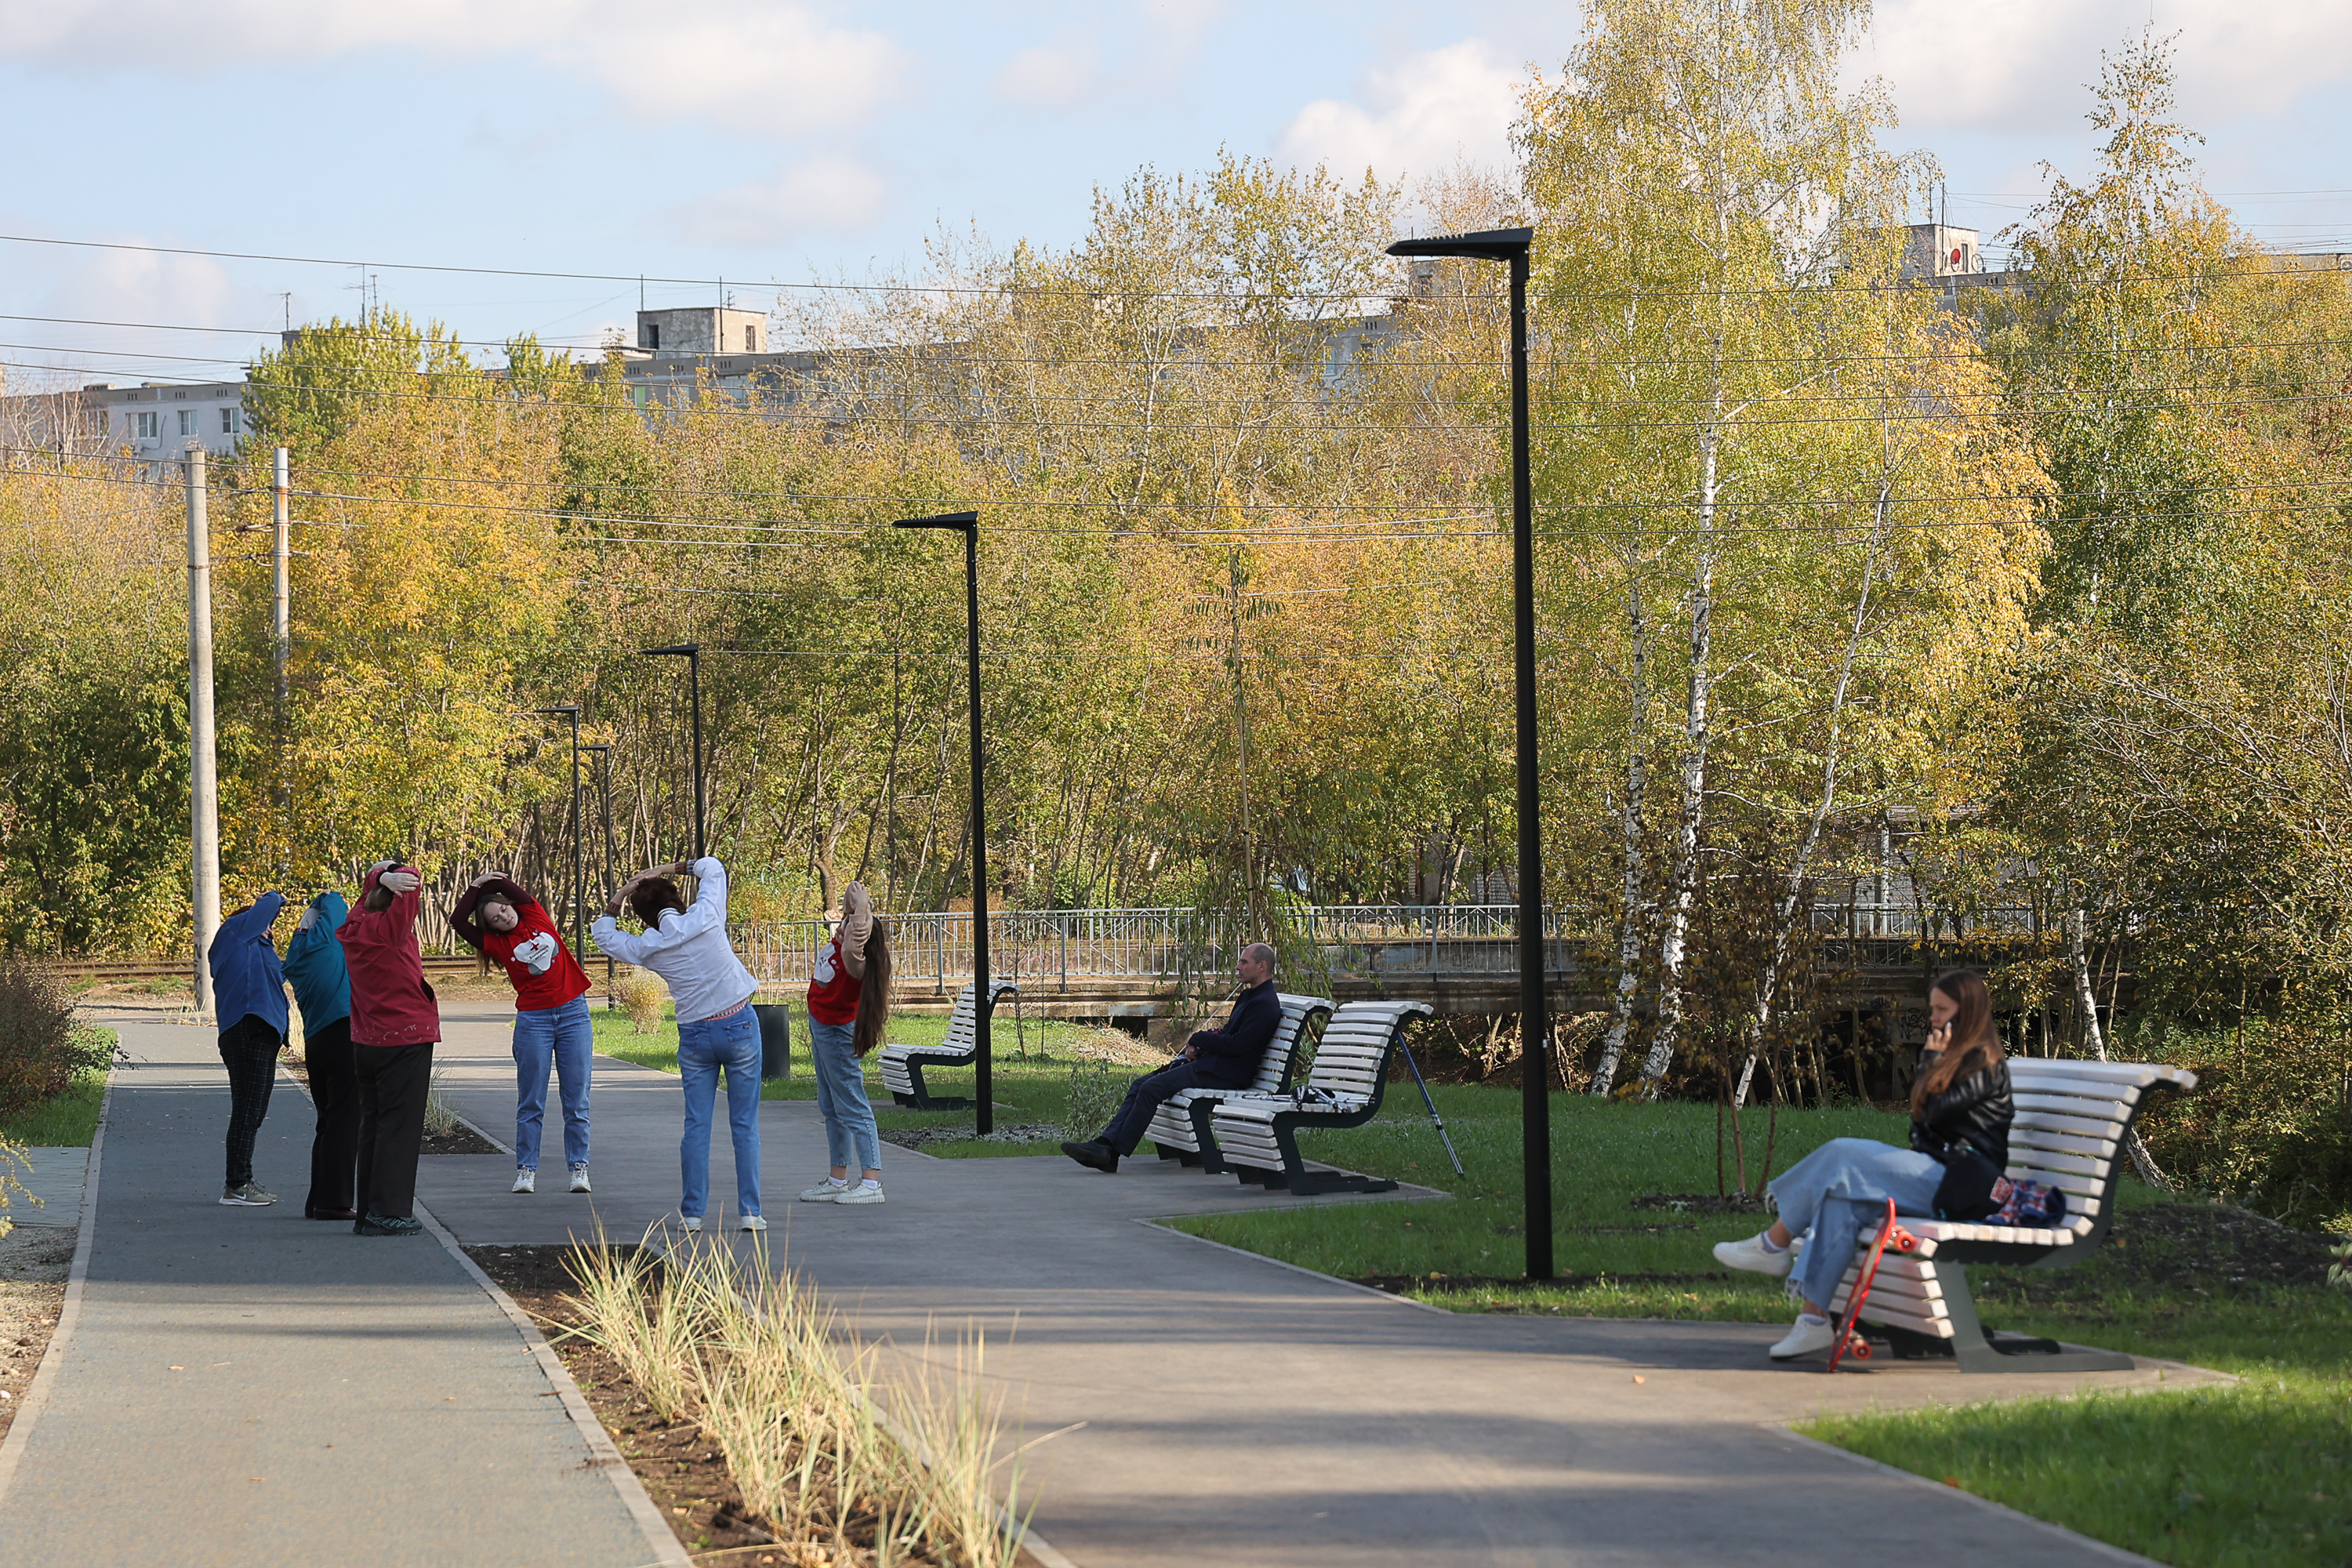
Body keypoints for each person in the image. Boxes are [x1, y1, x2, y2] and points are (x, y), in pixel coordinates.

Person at [1713, 968, 2015, 1359]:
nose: (1934, 1017)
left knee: (1841, 1153)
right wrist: (1932, 1062)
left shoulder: (1984, 1064)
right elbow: (1924, 1126)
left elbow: (1933, 1115)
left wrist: (1930, 1060)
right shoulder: (1954, 1059)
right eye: (1932, 1009)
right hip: (1938, 1173)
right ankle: (1814, 1322)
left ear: (1969, 1010)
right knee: (1841, 1201)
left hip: (1963, 1186)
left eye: (1943, 1009)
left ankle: (1774, 1243)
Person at [591, 856, 766, 1233]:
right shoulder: (706, 916)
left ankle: (692, 1213)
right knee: (744, 1125)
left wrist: (620, 894)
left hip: (696, 1036)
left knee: (697, 1126)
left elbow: (603, 935)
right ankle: (750, 1212)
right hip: (738, 1024)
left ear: (644, 917)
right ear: (677, 897)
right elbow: (714, 867)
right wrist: (666, 869)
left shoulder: (648, 946)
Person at [1062, 941, 1284, 1174]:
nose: (1238, 967)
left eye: (1244, 962)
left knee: (1152, 1088)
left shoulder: (1265, 1004)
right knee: (1141, 1084)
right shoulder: (1251, 996)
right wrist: (1200, 1048)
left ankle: (1111, 1154)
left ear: (1261, 966)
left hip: (1227, 1073)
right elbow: (1229, 1034)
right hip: (1214, 1065)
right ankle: (1105, 1145)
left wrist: (1199, 1038)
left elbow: (1239, 1045)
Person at [452, 874, 594, 1196]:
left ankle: (579, 1170)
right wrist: (475, 890)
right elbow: (458, 921)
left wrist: (491, 882)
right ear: (493, 930)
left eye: (502, 909)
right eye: (495, 920)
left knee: (577, 1101)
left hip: (574, 1014)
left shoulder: (535, 916)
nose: (503, 917)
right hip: (534, 1021)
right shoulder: (499, 944)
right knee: (531, 1101)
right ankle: (526, 1172)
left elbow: (512, 887)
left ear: (509, 905)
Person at [336, 861, 441, 1237]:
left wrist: (380, 878)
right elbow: (412, 881)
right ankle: (389, 1212)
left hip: (367, 1040)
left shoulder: (355, 926)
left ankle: (369, 1210)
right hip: (405, 1037)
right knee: (400, 1128)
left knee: (375, 1127)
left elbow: (369, 897)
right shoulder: (390, 932)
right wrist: (396, 872)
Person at [797, 881, 890, 1207]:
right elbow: (852, 922)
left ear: (861, 937)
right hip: (821, 1027)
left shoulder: (856, 962)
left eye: (851, 924)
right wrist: (853, 904)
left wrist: (862, 908)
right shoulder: (841, 944)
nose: (844, 925)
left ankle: (871, 1181)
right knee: (831, 1106)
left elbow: (857, 936)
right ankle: (838, 1179)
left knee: (852, 1104)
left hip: (836, 1032)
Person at [281, 890, 361, 1221]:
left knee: (328, 1121)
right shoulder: (329, 944)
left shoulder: (298, 953)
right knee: (346, 1122)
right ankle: (335, 1202)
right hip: (343, 1034)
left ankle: (319, 1199)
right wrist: (327, 897)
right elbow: (336, 906)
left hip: (316, 1041)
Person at [208, 892, 288, 1207]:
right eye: (265, 925)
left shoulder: (259, 950)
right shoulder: (235, 932)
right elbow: (267, 906)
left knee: (254, 1111)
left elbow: (285, 973)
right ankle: (236, 1184)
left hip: (263, 1032)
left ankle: (244, 1179)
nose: (269, 929)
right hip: (246, 1028)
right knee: (246, 1109)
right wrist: (273, 898)